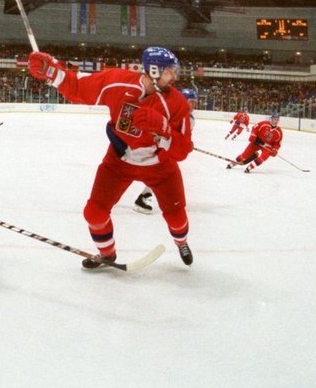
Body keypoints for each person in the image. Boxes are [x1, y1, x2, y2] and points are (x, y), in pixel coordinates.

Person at [28, 46, 195, 268]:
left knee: (176, 217)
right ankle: (107, 254)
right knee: (94, 213)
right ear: (154, 71)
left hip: (160, 166)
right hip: (119, 161)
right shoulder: (118, 82)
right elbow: (79, 87)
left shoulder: (177, 103)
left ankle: (181, 242)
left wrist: (164, 129)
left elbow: (182, 151)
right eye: (169, 71)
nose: (174, 76)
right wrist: (53, 72)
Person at [134, 86, 197, 214]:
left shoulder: (189, 118)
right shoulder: (176, 113)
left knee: (159, 174)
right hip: (158, 147)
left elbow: (179, 137)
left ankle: (144, 197)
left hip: (165, 149)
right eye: (191, 102)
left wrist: (186, 145)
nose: (193, 105)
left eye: (194, 102)